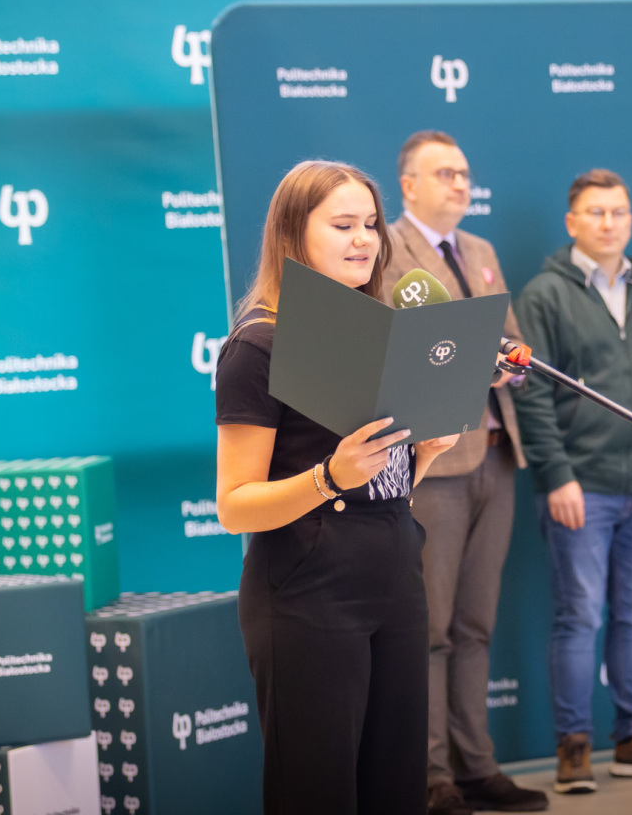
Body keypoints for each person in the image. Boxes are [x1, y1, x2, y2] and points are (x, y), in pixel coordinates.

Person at [214, 160, 461, 815]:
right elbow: (235, 506)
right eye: (343, 224)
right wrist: (328, 477)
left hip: (395, 585)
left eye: (371, 225)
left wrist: (423, 456)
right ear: (293, 233)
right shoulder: (259, 345)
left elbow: (379, 493)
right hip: (306, 599)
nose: (364, 240)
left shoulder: (380, 336)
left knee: (396, 791)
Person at [512, 169, 632, 795]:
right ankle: (574, 747)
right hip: (580, 487)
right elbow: (532, 395)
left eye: (618, 211)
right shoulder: (544, 294)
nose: (609, 223)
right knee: (579, 616)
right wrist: (556, 475)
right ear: (572, 222)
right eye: (595, 212)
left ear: (631, 220)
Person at [379, 131, 547, 815]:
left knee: (476, 624)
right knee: (432, 629)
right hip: (436, 462)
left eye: (464, 173)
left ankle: (478, 767)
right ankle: (430, 778)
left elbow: (511, 342)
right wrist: (472, 357)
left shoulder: (480, 250)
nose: (459, 183)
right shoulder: (386, 251)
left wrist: (512, 362)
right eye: (444, 172)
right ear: (408, 185)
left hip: (498, 456)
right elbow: (395, 352)